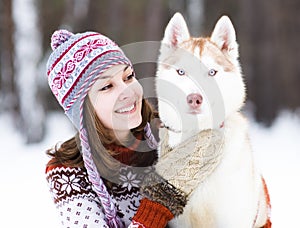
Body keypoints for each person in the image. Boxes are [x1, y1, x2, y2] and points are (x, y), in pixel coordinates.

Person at [45, 29, 189, 228]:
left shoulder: (169, 133)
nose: (127, 91)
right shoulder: (68, 172)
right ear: (82, 110)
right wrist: (156, 206)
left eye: (128, 77)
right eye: (107, 87)